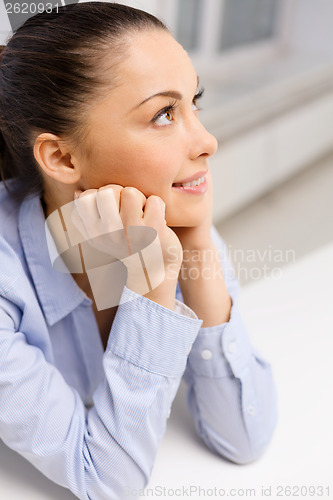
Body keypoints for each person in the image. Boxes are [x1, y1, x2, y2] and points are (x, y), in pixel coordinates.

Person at [0, 3, 277, 499]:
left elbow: (243, 437)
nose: (208, 141)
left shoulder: (163, 220)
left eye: (196, 102)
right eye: (164, 114)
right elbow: (105, 481)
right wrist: (150, 296)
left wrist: (196, 243)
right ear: (62, 157)